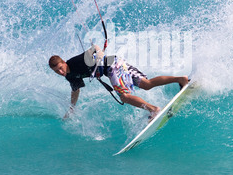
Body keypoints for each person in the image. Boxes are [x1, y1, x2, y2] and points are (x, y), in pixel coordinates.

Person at [49, 44, 188, 121]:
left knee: (124, 96)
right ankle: (180, 79)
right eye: (57, 72)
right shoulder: (70, 76)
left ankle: (154, 110)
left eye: (60, 68)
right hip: (116, 65)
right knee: (146, 84)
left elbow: (94, 47)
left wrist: (100, 53)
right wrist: (72, 107)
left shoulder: (77, 61)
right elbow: (75, 90)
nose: (60, 72)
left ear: (63, 62)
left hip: (112, 65)